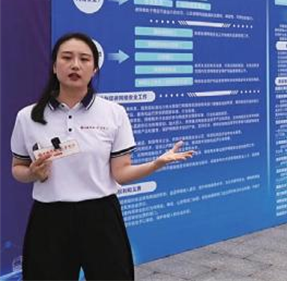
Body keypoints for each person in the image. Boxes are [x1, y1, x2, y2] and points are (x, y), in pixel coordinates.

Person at [10, 32, 194, 280]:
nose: (75, 65)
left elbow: (121, 173)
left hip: (100, 215)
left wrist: (156, 164)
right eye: (67, 57)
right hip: (49, 218)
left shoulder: (113, 113)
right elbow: (18, 168)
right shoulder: (28, 116)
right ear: (54, 66)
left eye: (84, 59)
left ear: (95, 68)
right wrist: (32, 173)